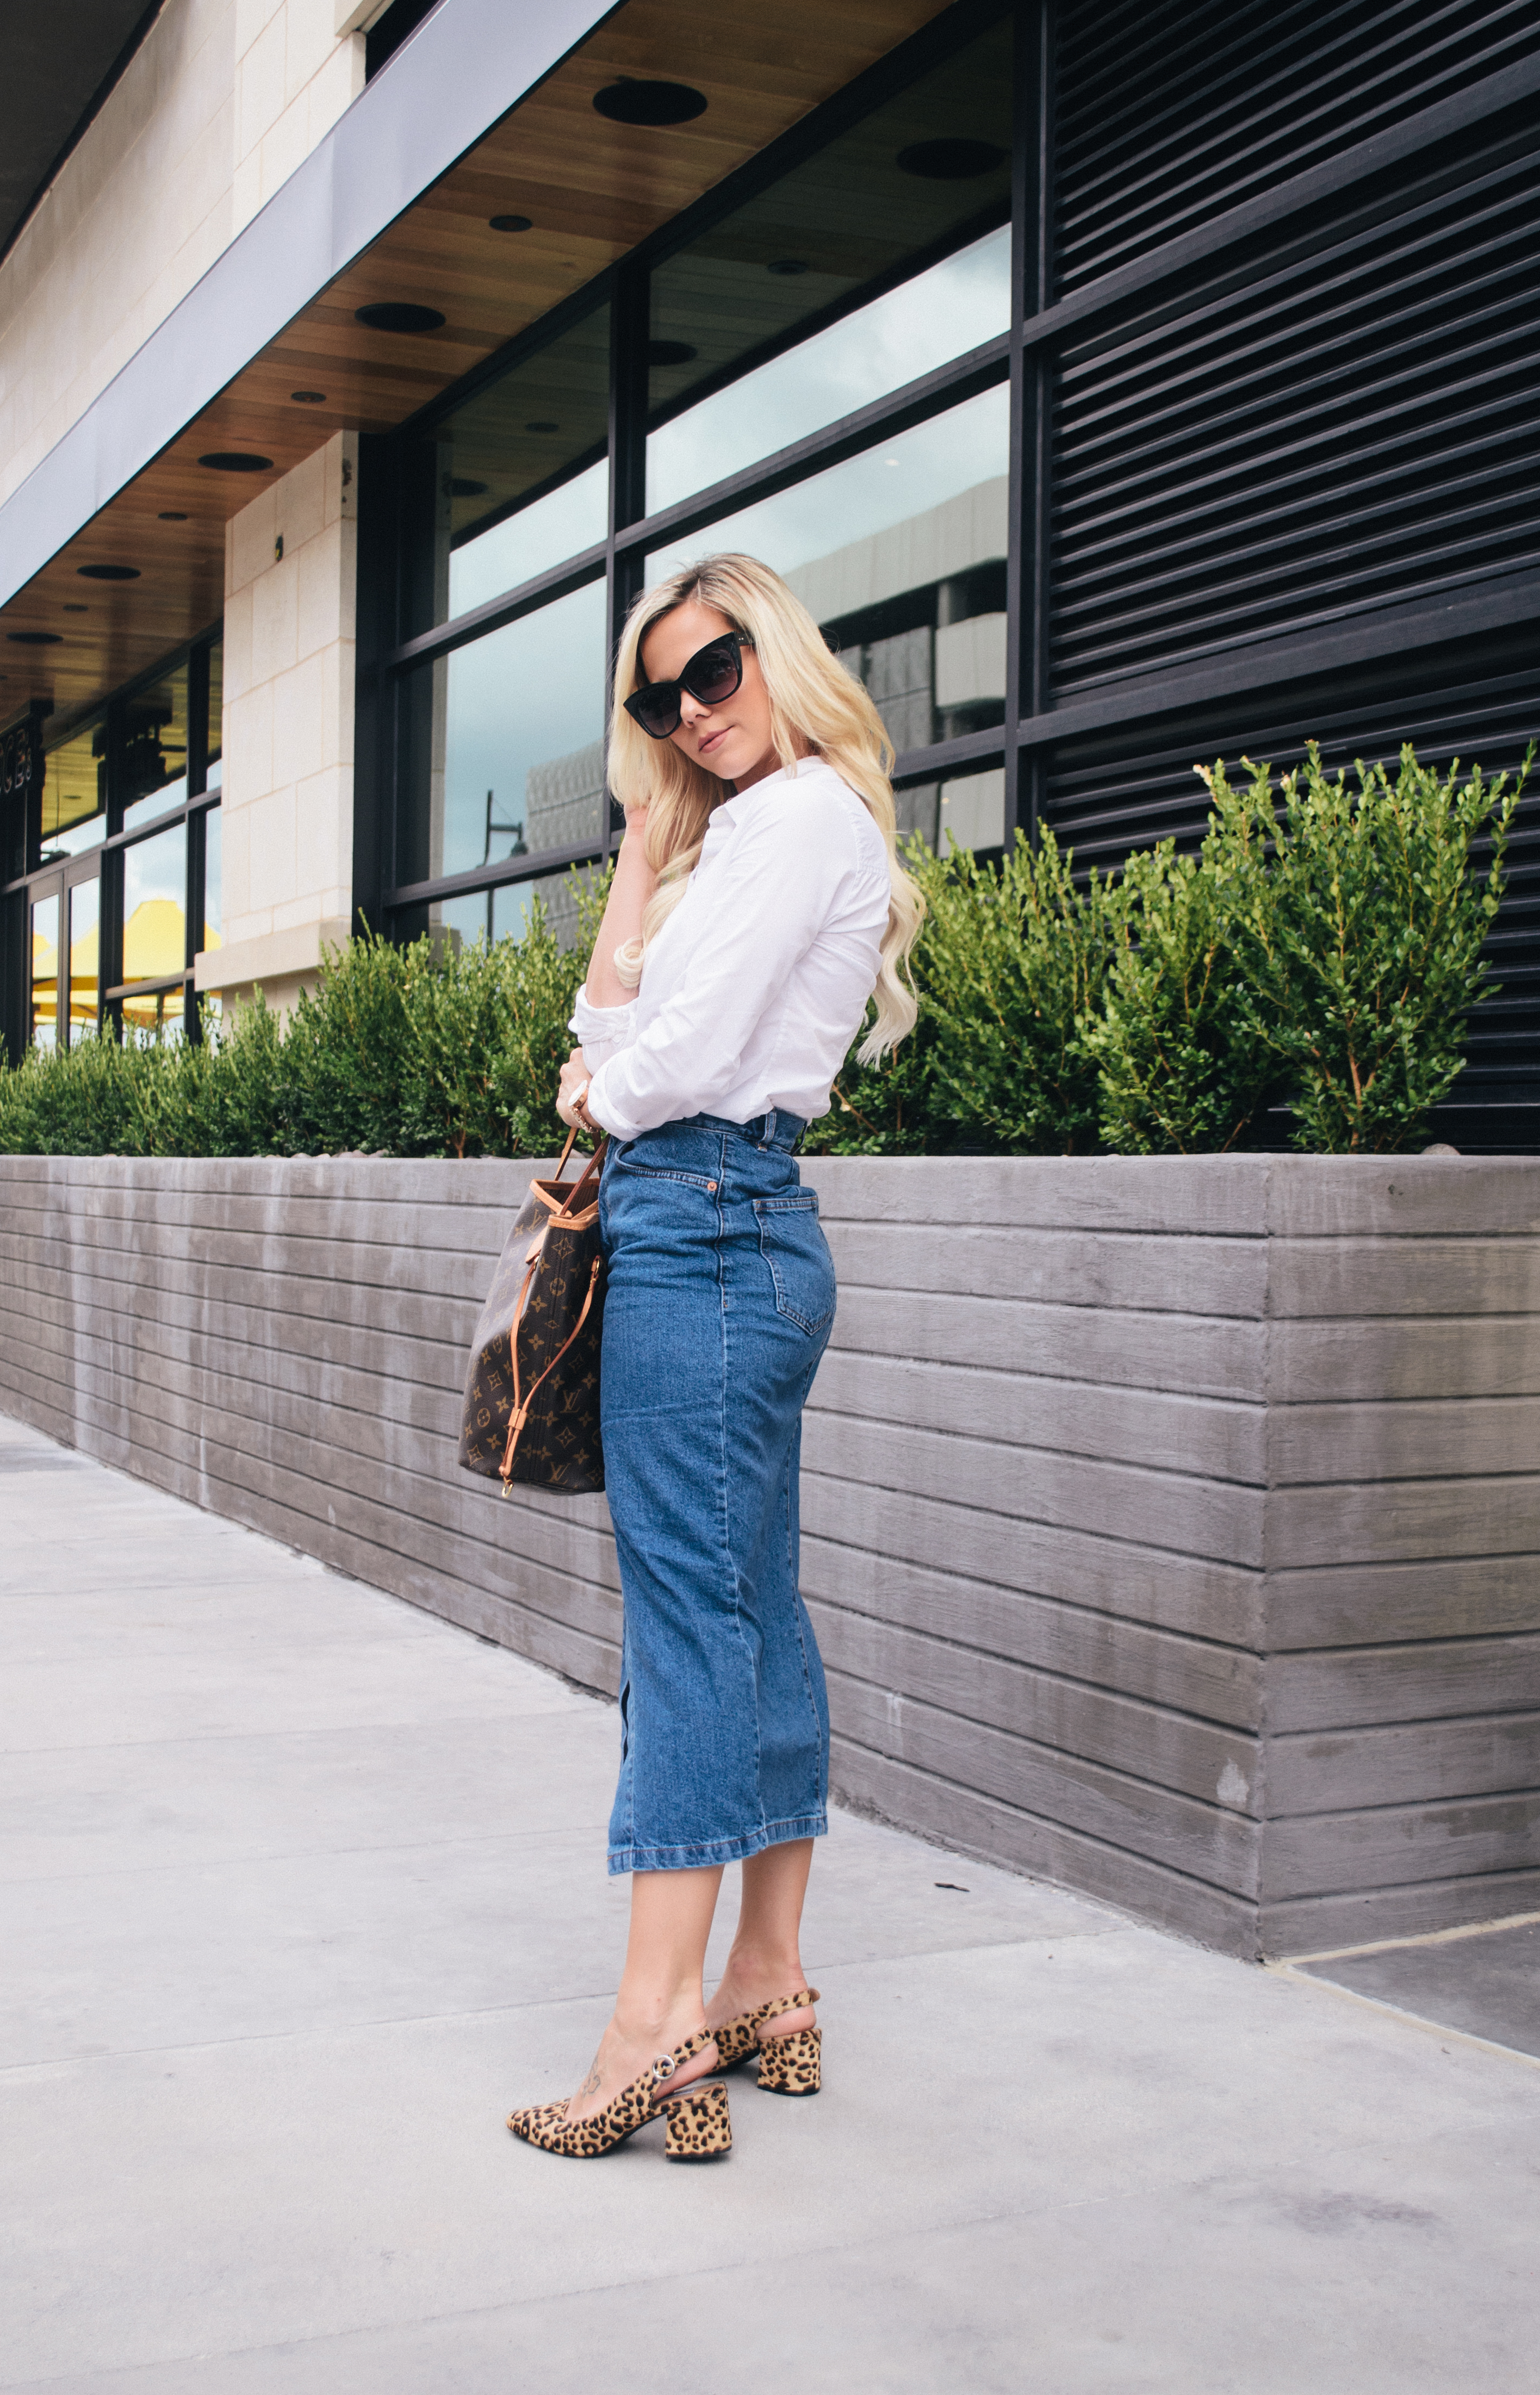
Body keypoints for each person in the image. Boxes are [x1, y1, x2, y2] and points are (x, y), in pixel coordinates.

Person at [505, 553, 923, 2162]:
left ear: (776, 653)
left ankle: (650, 2030)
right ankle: (767, 1981)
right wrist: (640, 851)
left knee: (688, 1620)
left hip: (703, 1229)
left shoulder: (804, 815)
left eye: (717, 670)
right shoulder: (744, 828)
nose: (694, 710)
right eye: (659, 696)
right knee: (750, 1607)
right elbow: (620, 1015)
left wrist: (595, 1094)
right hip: (733, 1223)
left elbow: (642, 1054)